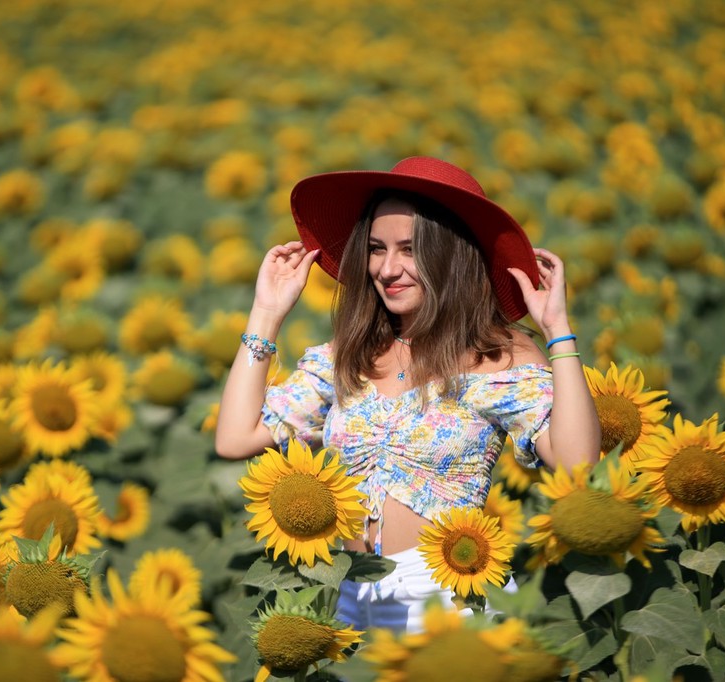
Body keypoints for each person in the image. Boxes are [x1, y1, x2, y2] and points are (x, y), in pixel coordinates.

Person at [215, 156, 601, 632]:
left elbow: (577, 461)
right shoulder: (349, 355)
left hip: (449, 602)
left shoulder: (497, 355)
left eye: (409, 249)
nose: (387, 268)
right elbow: (235, 438)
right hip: (349, 600)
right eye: (376, 249)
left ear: (451, 254)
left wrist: (559, 332)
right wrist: (266, 313)